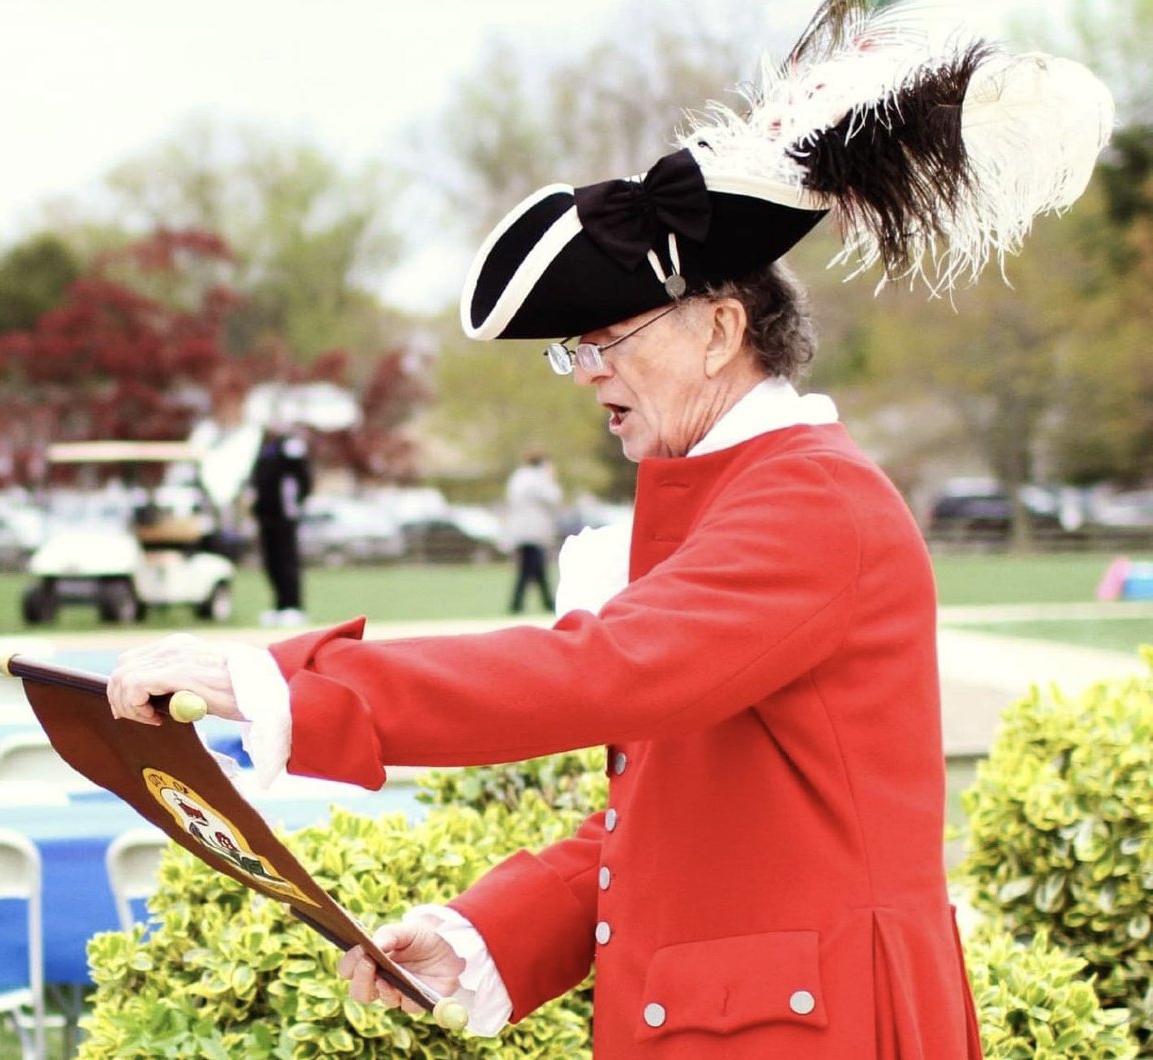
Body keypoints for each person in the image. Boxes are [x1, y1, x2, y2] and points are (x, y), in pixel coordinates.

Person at [107, 8, 1112, 1056]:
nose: (588, 372)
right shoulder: (743, 499)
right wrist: (488, 933)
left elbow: (601, 671)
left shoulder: (815, 503)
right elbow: (668, 821)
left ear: (724, 329)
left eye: (609, 340)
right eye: (575, 350)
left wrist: (279, 679)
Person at [250, 424, 313, 627]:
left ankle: (293, 606)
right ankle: (279, 606)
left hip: (284, 515)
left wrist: (295, 503)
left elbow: (303, 477)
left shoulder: (290, 445)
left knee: (287, 561)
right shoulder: (264, 447)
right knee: (272, 563)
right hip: (265, 514)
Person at [504, 450, 562, 613]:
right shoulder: (538, 479)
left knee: (534, 569)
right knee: (530, 569)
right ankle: (523, 604)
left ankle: (544, 602)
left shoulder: (519, 477)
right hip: (533, 532)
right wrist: (550, 477)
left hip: (521, 531)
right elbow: (554, 497)